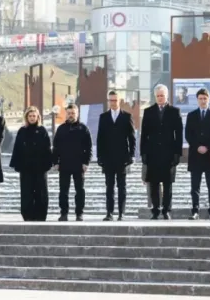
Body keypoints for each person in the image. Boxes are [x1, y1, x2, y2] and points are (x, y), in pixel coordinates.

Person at [140, 84, 183, 220]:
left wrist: (177, 153)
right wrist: (143, 153)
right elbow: (144, 134)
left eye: (162, 95)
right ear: (155, 96)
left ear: (167, 96)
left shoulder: (174, 111)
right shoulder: (148, 112)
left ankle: (166, 210)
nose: (160, 98)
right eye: (158, 96)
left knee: (167, 183)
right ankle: (155, 209)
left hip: (168, 153)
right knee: (153, 183)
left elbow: (179, 134)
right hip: (152, 153)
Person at [97, 90, 136, 221]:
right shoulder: (103, 117)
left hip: (122, 158)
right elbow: (100, 138)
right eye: (110, 100)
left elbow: (132, 138)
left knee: (121, 186)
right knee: (109, 187)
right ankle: (109, 212)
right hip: (108, 158)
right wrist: (100, 157)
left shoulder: (127, 116)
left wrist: (131, 155)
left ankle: (121, 213)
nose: (113, 103)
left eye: (115, 100)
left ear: (120, 101)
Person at [9, 106, 52, 221]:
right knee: (26, 192)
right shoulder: (22, 131)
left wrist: (48, 164)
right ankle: (27, 215)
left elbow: (48, 149)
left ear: (38, 117)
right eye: (30, 116)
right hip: (26, 168)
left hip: (40, 168)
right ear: (26, 117)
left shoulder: (42, 131)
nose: (32, 118)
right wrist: (16, 164)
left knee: (41, 192)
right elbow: (17, 148)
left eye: (34, 116)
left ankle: (40, 215)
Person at [184, 88, 210, 220]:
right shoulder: (191, 115)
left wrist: (207, 147)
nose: (203, 100)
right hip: (196, 155)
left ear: (209, 99)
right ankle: (195, 211)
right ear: (197, 100)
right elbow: (188, 134)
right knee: (195, 186)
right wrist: (197, 146)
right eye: (200, 98)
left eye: (205, 98)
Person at [52, 103, 92, 221]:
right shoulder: (61, 129)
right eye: (69, 113)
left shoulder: (83, 128)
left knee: (79, 190)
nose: (71, 115)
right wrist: (55, 162)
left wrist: (86, 163)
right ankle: (64, 213)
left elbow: (88, 148)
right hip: (64, 164)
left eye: (73, 113)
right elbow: (56, 147)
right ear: (66, 114)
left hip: (79, 165)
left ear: (77, 114)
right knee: (63, 191)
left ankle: (79, 213)